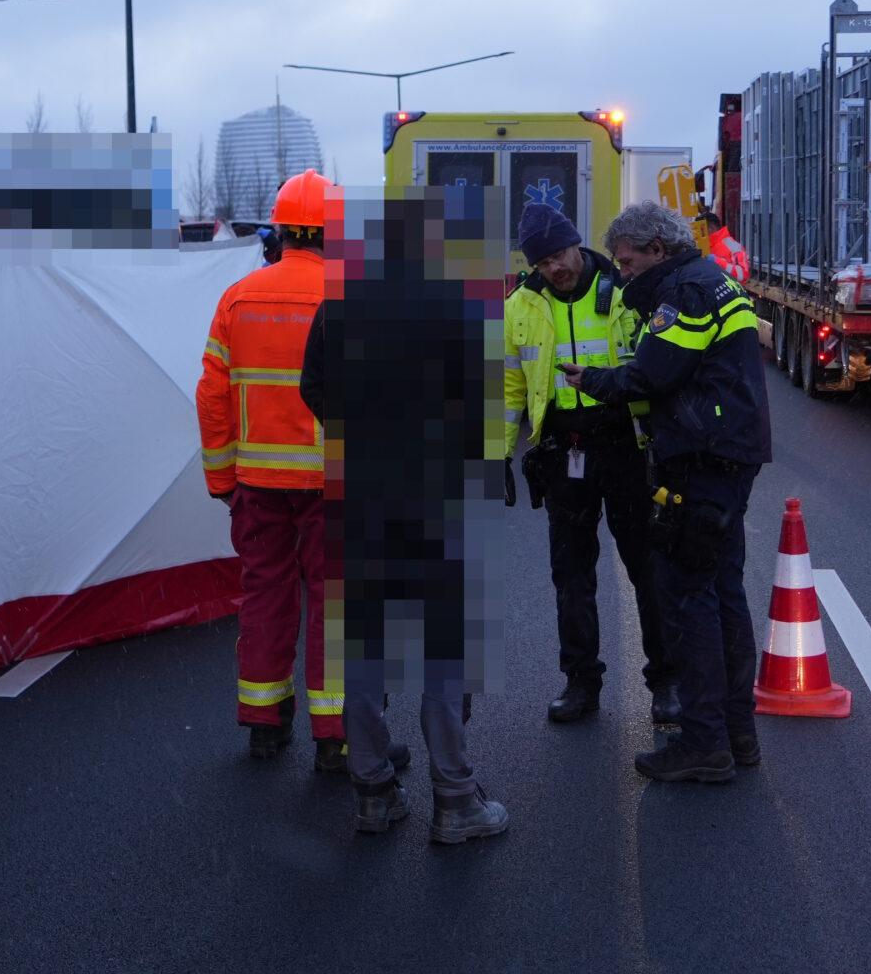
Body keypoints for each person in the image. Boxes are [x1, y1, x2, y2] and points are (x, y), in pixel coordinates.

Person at [304, 186, 510, 844]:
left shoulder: (338, 308)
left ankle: (373, 792)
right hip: (437, 498)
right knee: (445, 651)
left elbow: (314, 388)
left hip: (362, 496)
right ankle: (454, 798)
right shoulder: (454, 305)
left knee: (364, 647)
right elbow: (479, 401)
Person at [563, 200, 769, 785]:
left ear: (657, 248)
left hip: (702, 460)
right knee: (724, 592)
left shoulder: (686, 293)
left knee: (691, 596)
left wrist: (593, 381)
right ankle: (737, 732)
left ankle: (704, 741)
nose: (623, 274)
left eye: (627, 263)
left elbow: (653, 374)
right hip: (728, 454)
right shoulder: (714, 282)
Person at [505, 203, 677, 726]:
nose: (554, 268)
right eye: (542, 262)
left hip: (625, 448)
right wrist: (496, 451)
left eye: (559, 254)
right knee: (571, 575)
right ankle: (581, 682)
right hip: (564, 454)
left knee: (647, 570)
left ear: (576, 244)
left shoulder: (627, 291)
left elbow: (658, 368)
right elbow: (511, 385)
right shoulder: (521, 307)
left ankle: (666, 683)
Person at [196, 170, 346, 766]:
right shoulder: (348, 296)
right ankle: (335, 739)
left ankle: (264, 723)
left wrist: (221, 480)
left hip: (257, 487)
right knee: (334, 604)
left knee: (264, 598)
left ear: (278, 231)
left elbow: (211, 396)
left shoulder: (239, 297)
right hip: (333, 484)